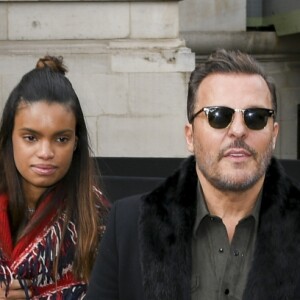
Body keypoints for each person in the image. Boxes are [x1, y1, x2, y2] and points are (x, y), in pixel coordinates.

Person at [86, 48, 300, 300]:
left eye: (256, 117)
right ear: (190, 136)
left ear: (274, 134)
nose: (239, 130)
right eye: (219, 116)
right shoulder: (128, 226)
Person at [0, 55, 107, 299]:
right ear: (9, 138)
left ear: (75, 143)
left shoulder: (97, 223)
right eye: (31, 137)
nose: (46, 153)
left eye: (61, 139)